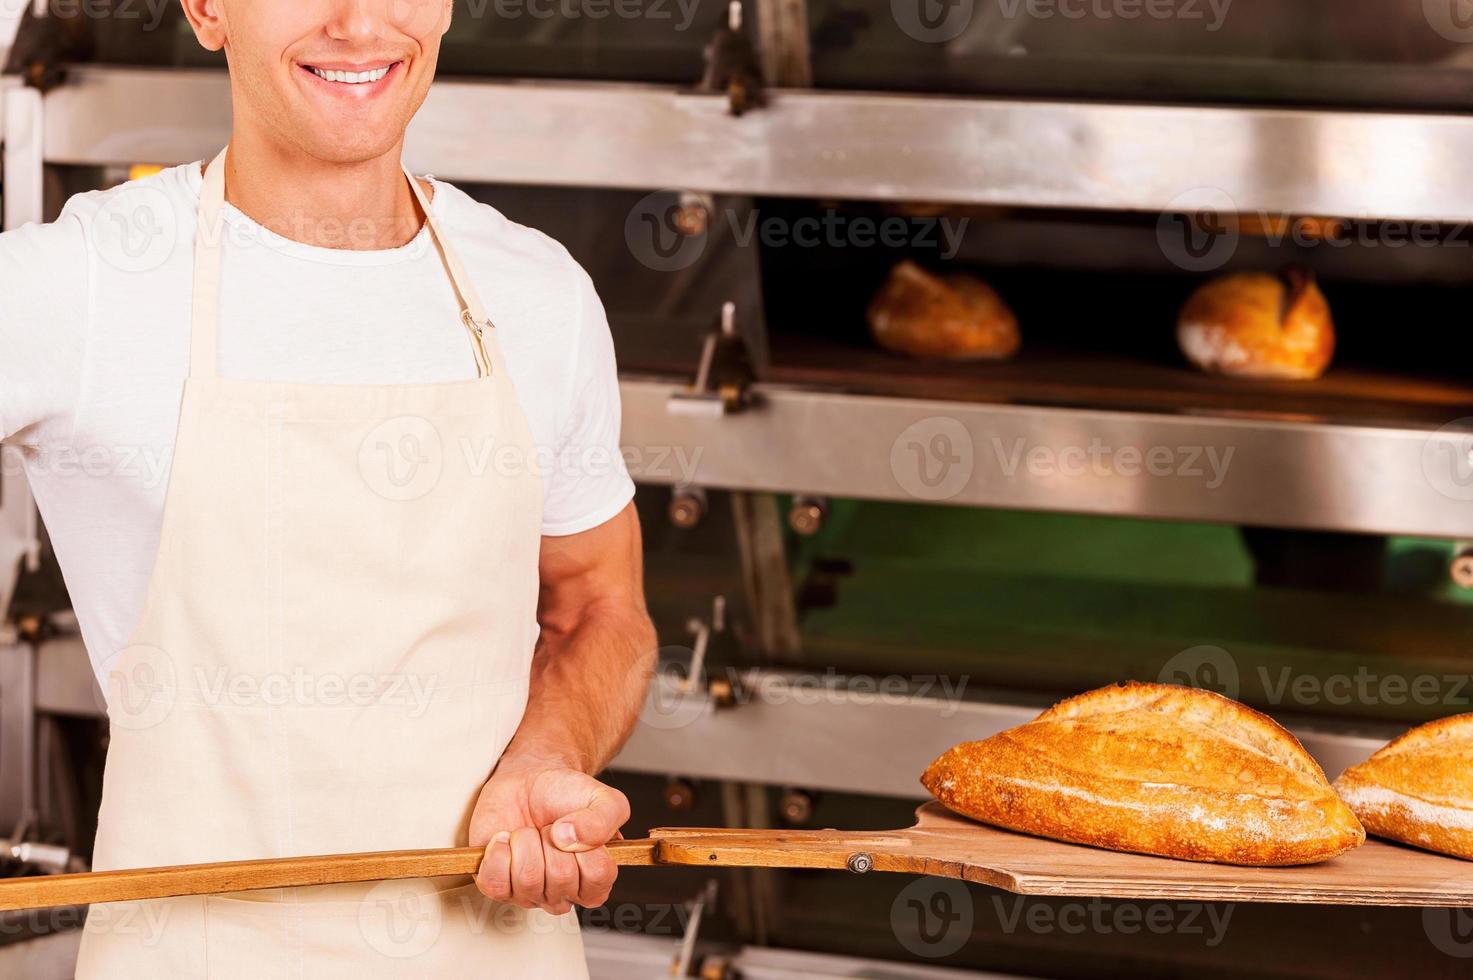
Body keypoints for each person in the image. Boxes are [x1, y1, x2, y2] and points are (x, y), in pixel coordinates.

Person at [0, 0, 657, 974]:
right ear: (206, 9)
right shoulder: (86, 283)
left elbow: (603, 603)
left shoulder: (537, 291)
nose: (359, 22)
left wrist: (547, 755)